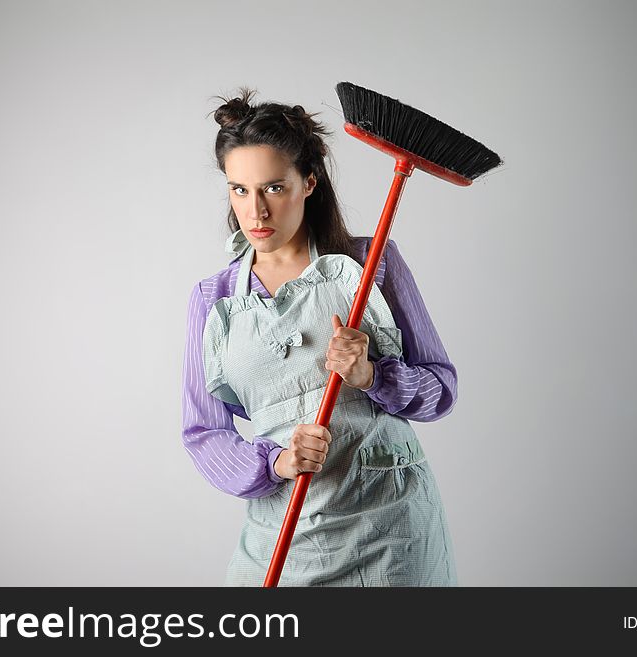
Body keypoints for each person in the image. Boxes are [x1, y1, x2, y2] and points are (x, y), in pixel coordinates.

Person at [181, 87, 459, 586]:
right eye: (239, 190)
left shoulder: (370, 265)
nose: (256, 213)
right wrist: (279, 461)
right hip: (283, 536)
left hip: (390, 534)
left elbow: (440, 391)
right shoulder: (214, 301)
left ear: (308, 183)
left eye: (273, 188)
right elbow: (204, 434)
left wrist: (372, 374)